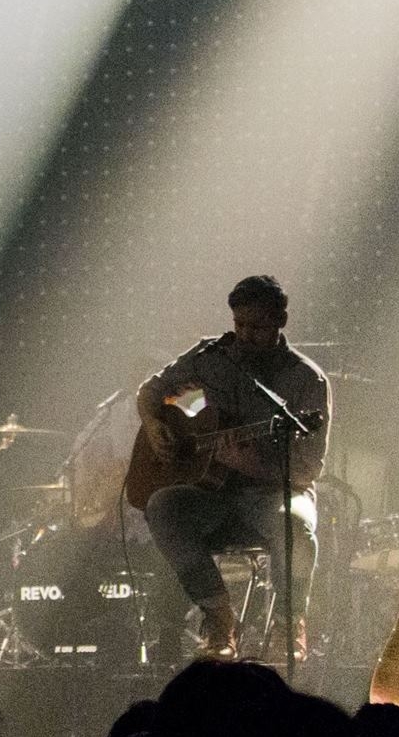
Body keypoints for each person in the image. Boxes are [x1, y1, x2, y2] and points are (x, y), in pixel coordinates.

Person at [137, 275, 330, 660]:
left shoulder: (307, 380)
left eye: (256, 327)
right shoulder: (214, 357)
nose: (244, 335)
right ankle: (219, 618)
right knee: (162, 506)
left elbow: (307, 470)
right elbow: (151, 391)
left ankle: (289, 625)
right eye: (239, 324)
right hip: (215, 494)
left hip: (275, 495)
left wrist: (251, 463)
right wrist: (154, 425)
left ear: (281, 321)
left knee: (296, 525)